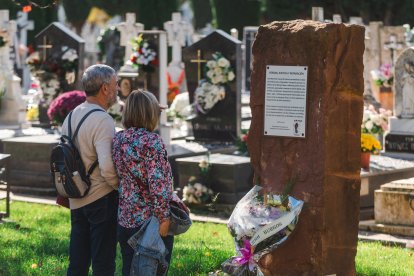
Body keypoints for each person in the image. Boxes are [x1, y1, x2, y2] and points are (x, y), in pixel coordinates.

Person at [62, 64, 120, 275]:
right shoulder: (103, 120)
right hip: (101, 198)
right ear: (104, 88)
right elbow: (107, 166)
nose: (117, 90)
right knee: (103, 263)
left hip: (76, 196)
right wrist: (118, 187)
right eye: (115, 85)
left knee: (77, 262)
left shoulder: (71, 116)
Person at [112, 90, 174, 276]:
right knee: (154, 270)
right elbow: (158, 184)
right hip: (150, 222)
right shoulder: (152, 142)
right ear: (149, 114)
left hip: (125, 218)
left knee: (128, 268)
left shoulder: (118, 139)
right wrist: (164, 218)